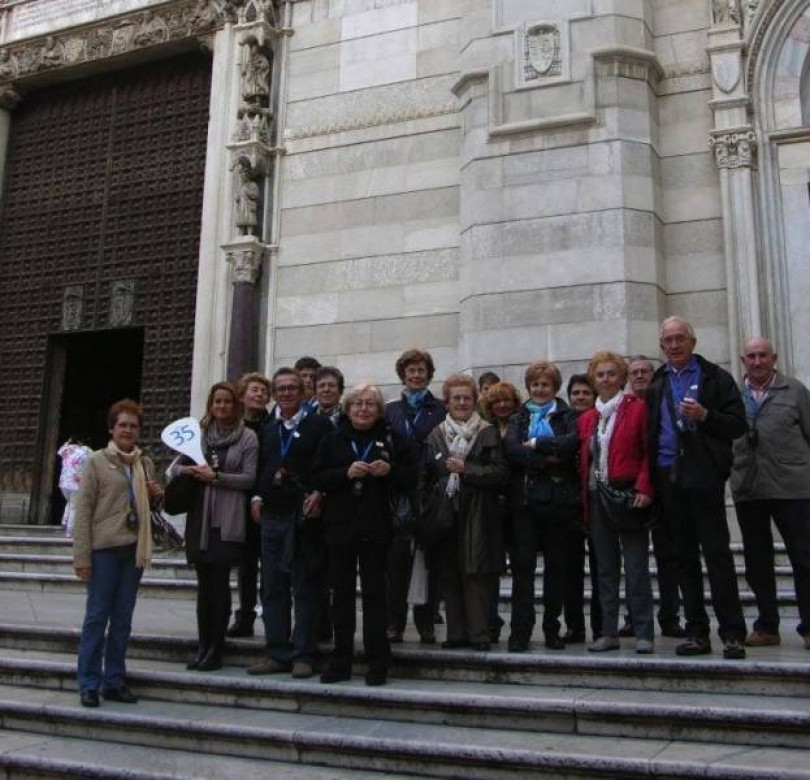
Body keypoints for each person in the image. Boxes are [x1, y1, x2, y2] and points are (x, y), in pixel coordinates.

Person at [647, 316, 748, 659]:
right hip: (668, 475)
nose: (674, 345)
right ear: (661, 346)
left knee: (717, 554)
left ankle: (732, 633)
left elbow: (737, 424)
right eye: (668, 341)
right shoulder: (658, 381)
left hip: (703, 474)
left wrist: (706, 415)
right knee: (683, 557)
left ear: (692, 341)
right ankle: (696, 632)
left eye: (679, 339)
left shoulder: (715, 377)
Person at [312, 384, 415, 685]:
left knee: (375, 597)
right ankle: (340, 659)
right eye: (357, 404)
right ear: (347, 408)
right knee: (341, 597)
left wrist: (390, 470)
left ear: (379, 410)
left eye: (370, 404)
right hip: (340, 527)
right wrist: (345, 473)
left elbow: (411, 477)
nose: (363, 409)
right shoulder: (332, 437)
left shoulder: (392, 438)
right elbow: (317, 476)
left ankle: (378, 660)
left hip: (378, 527)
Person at [73, 399, 163, 708]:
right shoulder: (97, 461)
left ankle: (114, 680)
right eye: (122, 424)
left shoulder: (144, 463)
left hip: (133, 550)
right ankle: (88, 682)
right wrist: (81, 557)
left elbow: (150, 509)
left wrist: (156, 495)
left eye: (133, 426)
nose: (128, 430)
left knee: (123, 618)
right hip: (104, 550)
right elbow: (83, 511)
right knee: (97, 616)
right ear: (112, 428)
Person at [248, 367, 332, 679]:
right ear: (274, 393)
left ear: (303, 392)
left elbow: (329, 463)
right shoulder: (268, 428)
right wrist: (257, 495)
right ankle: (276, 652)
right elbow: (261, 466)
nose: (285, 393)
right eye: (280, 388)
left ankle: (304, 654)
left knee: (305, 587)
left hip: (303, 518)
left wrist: (320, 492)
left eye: (292, 388)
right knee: (272, 587)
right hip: (272, 516)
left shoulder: (320, 425)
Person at [730, 337, 810, 650]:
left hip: (793, 486)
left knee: (804, 559)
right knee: (757, 562)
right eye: (751, 356)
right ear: (743, 360)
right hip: (749, 488)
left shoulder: (794, 391)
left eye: (763, 355)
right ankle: (766, 626)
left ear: (773, 358)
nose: (758, 361)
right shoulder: (734, 396)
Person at [175, 382, 258, 672]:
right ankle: (202, 646)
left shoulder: (247, 437)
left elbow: (249, 478)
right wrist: (189, 470)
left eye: (227, 402)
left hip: (227, 519)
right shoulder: (198, 436)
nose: (221, 407)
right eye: (217, 402)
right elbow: (173, 468)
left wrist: (216, 477)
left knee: (219, 584)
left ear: (236, 405)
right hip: (199, 518)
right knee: (203, 586)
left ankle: (216, 648)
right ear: (211, 404)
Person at [422, 375, 509, 650]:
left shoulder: (487, 432)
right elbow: (425, 477)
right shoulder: (435, 434)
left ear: (475, 401)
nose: (461, 402)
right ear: (447, 401)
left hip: (479, 514)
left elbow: (500, 473)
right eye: (456, 398)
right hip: (445, 515)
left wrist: (466, 470)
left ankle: (479, 634)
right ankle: (455, 633)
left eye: (466, 398)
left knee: (476, 575)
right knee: (449, 575)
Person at [577, 352, 655, 653]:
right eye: (600, 375)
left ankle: (644, 632)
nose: (606, 379)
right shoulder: (588, 418)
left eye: (611, 374)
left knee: (636, 569)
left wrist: (645, 487)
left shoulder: (637, 409)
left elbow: (648, 451)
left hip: (628, 497)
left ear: (622, 378)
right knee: (605, 569)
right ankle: (608, 631)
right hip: (597, 498)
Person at [504, 361, 580, 651]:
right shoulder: (518, 416)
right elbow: (511, 450)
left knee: (556, 570)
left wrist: (533, 444)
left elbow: (570, 444)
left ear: (555, 387)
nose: (539, 389)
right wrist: (545, 457)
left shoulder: (566, 414)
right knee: (522, 571)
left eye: (545, 384)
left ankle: (552, 629)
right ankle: (520, 631)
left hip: (558, 503)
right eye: (535, 384)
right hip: (524, 504)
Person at [618, 356, 685, 639]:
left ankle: (670, 617)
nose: (641, 376)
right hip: (633, 490)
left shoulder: (662, 402)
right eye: (635, 372)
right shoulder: (624, 408)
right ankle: (635, 616)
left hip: (664, 487)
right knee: (633, 560)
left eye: (645, 371)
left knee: (668, 556)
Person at [385, 348, 446, 644]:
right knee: (396, 562)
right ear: (403, 374)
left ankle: (426, 623)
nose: (416, 375)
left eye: (421, 370)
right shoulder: (391, 410)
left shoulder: (441, 409)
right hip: (399, 493)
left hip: (430, 493)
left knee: (429, 561)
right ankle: (394, 622)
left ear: (429, 374)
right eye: (411, 370)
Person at [227, 372, 272, 638]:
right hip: (237, 503)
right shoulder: (232, 427)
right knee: (245, 564)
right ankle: (244, 617)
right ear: (242, 395)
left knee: (269, 564)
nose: (259, 395)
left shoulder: (274, 424)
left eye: (263, 391)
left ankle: (271, 618)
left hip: (265, 503)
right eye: (253, 390)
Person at [480, 381, 521, 642]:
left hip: (519, 504)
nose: (502, 405)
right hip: (493, 505)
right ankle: (491, 620)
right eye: (497, 402)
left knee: (520, 564)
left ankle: (520, 623)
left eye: (506, 400)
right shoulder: (486, 431)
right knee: (492, 568)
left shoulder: (522, 425)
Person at [563, 374, 600, 643]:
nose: (580, 397)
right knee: (570, 571)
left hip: (598, 503)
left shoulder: (603, 419)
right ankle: (575, 626)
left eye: (585, 392)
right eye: (575, 392)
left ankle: (601, 626)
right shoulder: (563, 422)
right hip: (570, 505)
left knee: (602, 570)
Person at [58, 435, 92, 537]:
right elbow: (91, 461)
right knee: (74, 506)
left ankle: (64, 521)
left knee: (70, 502)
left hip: (63, 482)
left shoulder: (66, 451)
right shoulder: (84, 453)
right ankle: (70, 530)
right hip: (75, 483)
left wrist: (66, 444)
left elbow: (59, 452)